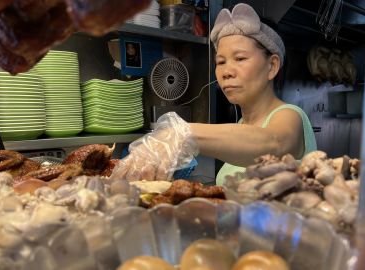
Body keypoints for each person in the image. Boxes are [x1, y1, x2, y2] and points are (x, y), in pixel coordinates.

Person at [111, 3, 317, 185]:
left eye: (240, 58)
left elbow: (274, 143)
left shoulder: (290, 116)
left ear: (272, 66)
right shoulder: (240, 128)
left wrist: (183, 134)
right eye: (220, 62)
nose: (226, 71)